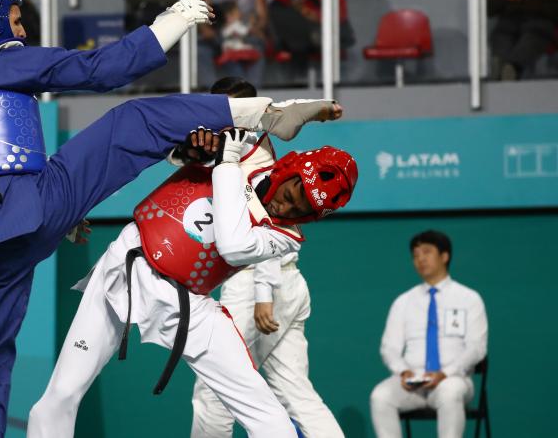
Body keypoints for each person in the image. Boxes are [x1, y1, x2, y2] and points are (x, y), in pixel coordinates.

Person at [0, 0, 342, 437]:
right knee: (132, 120)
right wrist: (173, 21)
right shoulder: (2, 61)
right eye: (16, 21)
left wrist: (53, 212)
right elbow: (102, 70)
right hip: (35, 205)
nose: (21, 31)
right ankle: (267, 114)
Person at [27, 117, 358, 437]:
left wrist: (226, 163)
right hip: (126, 265)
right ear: (289, 170)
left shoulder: (285, 236)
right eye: (289, 197)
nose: (286, 210)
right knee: (61, 395)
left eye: (301, 211)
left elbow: (233, 246)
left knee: (268, 416)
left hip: (189, 303)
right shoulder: (252, 151)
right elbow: (174, 144)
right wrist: (191, 149)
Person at [190, 79, 344, 438]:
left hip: (258, 283)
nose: (223, 115)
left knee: (215, 389)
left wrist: (263, 293)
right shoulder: (234, 145)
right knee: (297, 395)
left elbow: (268, 226)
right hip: (287, 283)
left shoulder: (249, 150)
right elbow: (289, 109)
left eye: (232, 107)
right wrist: (321, 107)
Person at [370, 230, 488, 438]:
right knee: (380, 396)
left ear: (445, 256)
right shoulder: (403, 302)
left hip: (453, 378)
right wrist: (403, 371)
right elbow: (389, 348)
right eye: (415, 255)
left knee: (450, 392)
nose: (420, 259)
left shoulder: (469, 298)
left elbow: (476, 348)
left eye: (426, 252)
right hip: (413, 382)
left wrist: (446, 373)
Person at [269, 0, 354, 72]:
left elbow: (340, 15)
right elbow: (276, 15)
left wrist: (312, 14)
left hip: (323, 35)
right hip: (296, 40)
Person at [200, 0, 269, 87]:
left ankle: (254, 91)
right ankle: (214, 93)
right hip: (219, 36)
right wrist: (208, 31)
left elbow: (262, 17)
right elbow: (201, 17)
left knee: (258, 44)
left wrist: (256, 29)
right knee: (202, 50)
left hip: (248, 34)